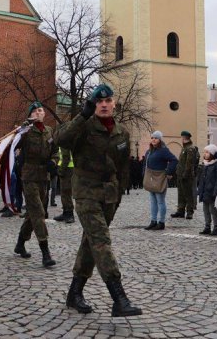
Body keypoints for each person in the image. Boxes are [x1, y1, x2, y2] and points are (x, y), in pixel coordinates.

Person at [55, 84, 142, 318]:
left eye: (108, 101)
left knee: (90, 243)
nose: (104, 104)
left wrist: (120, 192)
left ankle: (74, 293)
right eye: (99, 101)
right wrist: (82, 115)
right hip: (86, 192)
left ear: (114, 103)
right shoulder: (83, 126)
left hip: (110, 195)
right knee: (101, 240)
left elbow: (123, 166)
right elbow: (60, 139)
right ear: (94, 104)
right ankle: (119, 298)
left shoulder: (122, 132)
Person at [13, 101, 58, 267]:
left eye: (41, 110)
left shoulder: (49, 131)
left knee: (33, 214)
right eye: (36, 111)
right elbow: (12, 145)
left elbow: (55, 151)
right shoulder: (26, 131)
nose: (39, 112)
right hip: (29, 176)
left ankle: (20, 243)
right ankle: (45, 253)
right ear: (31, 115)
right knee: (39, 212)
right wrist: (19, 131)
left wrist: (54, 162)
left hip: (43, 178)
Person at [142, 131, 177, 231]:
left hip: (159, 177)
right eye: (152, 137)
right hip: (151, 177)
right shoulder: (149, 151)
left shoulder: (163, 150)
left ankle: (161, 222)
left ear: (160, 140)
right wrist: (144, 173)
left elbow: (174, 160)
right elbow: (145, 163)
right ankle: (153, 221)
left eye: (156, 138)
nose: (153, 139)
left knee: (160, 201)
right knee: (153, 201)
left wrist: (168, 172)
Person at [197, 144, 217, 236]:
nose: (205, 154)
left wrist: (215, 191)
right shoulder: (205, 164)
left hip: (212, 191)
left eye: (207, 152)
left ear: (212, 154)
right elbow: (201, 179)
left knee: (212, 209)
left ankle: (216, 227)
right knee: (205, 210)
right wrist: (200, 190)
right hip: (205, 191)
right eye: (205, 152)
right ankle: (207, 226)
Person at [171, 131, 199, 219]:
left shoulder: (190, 148)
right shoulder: (185, 148)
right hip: (180, 174)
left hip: (186, 175)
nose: (181, 139)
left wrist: (185, 174)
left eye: (182, 137)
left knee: (188, 194)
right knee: (181, 194)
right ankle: (181, 210)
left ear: (184, 138)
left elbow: (189, 163)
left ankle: (190, 211)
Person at [53, 147, 75, 223]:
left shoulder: (64, 141)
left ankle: (69, 214)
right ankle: (65, 212)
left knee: (66, 192)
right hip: (68, 168)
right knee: (64, 192)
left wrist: (60, 170)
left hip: (67, 169)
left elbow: (66, 157)